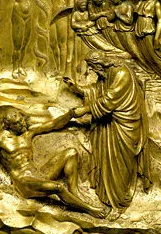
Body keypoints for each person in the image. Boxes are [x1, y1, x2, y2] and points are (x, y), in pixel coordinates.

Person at [64, 52, 152, 212]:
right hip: (111, 124)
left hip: (125, 125)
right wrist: (79, 90)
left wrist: (84, 109)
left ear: (99, 64)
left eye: (93, 68)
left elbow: (109, 100)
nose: (93, 72)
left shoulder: (121, 73)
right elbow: (99, 90)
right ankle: (107, 198)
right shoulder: (107, 72)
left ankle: (120, 200)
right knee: (107, 160)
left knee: (120, 163)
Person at [0, 106, 107, 218]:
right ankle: (89, 209)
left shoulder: (28, 133)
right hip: (23, 182)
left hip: (38, 174)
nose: (22, 124)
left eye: (22, 120)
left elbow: (53, 124)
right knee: (58, 187)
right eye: (17, 123)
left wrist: (71, 114)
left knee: (71, 153)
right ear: (8, 126)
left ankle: (74, 191)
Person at [10, 0, 48, 78]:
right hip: (18, 13)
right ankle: (15, 68)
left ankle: (20, 66)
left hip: (28, 14)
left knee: (25, 43)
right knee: (17, 44)